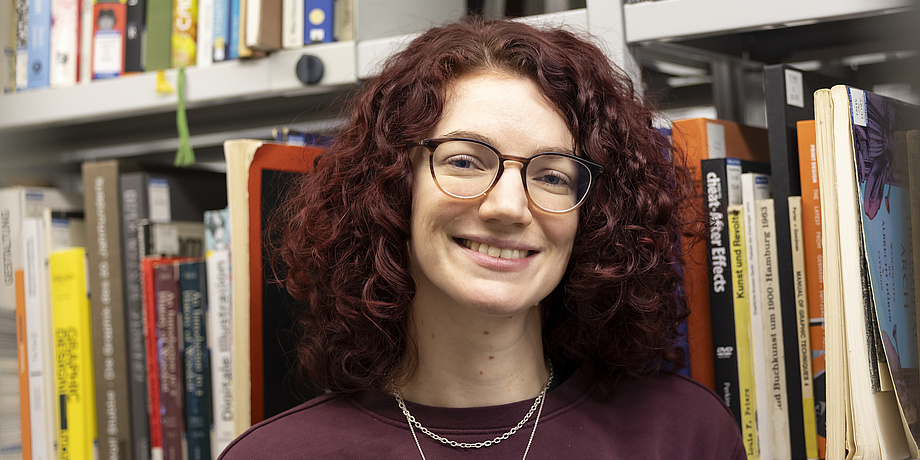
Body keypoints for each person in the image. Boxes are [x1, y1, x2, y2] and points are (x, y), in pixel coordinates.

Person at [219, 17, 745, 460]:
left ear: (596, 217)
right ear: (392, 188)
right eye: (466, 161)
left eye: (552, 176)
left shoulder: (685, 436)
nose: (508, 207)